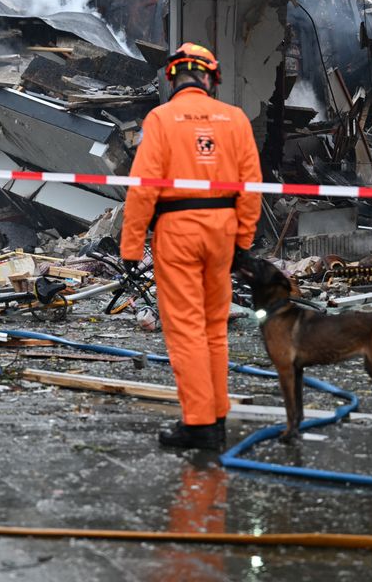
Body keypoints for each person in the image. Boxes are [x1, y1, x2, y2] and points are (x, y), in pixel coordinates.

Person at [120, 43, 262, 449]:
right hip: (221, 231)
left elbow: (143, 188)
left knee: (186, 331)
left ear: (173, 78)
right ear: (210, 78)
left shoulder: (161, 119)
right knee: (215, 330)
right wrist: (243, 242)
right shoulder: (234, 119)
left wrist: (131, 248)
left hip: (177, 231)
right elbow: (251, 187)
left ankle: (199, 425)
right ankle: (216, 418)